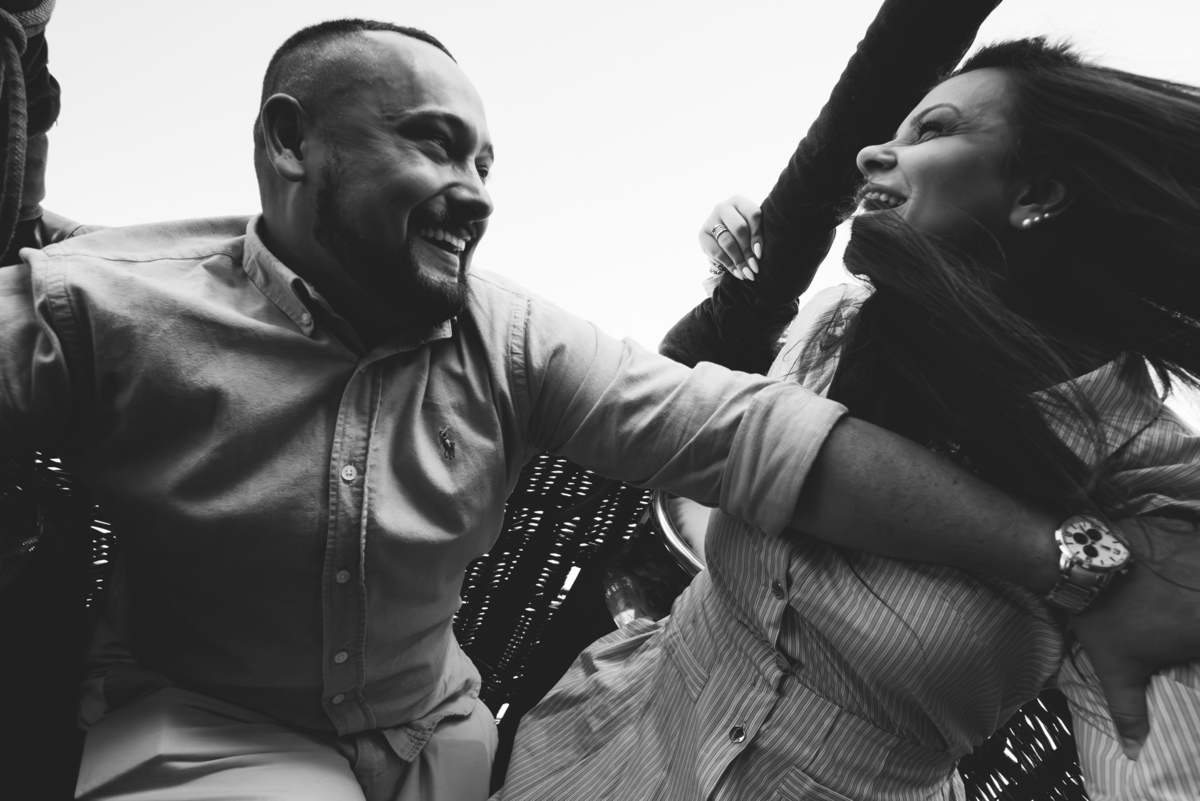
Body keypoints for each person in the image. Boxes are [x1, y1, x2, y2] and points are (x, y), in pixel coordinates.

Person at [0, 12, 1196, 801]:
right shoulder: (95, 311)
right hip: (472, 757)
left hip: (455, 750)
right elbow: (747, 439)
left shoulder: (1156, 487)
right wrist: (1067, 563)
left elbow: (737, 438)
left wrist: (1089, 567)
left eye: (486, 164)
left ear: (1039, 194)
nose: (475, 196)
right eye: (436, 147)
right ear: (290, 142)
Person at [496, 5, 1200, 801]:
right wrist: (741, 287)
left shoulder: (1155, 484)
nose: (873, 152)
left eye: (932, 132)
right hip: (594, 752)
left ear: (1035, 189)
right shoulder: (836, 322)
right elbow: (722, 439)